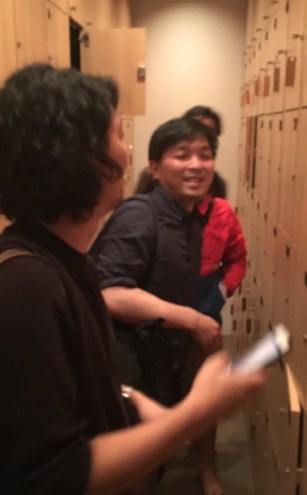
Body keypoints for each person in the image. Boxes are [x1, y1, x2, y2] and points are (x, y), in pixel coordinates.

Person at [0, 64, 265, 495]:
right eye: (118, 135)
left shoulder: (68, 262)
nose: (127, 151)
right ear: (79, 156)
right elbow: (55, 478)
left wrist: (133, 402)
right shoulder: (25, 287)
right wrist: (193, 414)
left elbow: (75, 383)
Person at [91, 117, 233, 494]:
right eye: (182, 155)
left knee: (151, 465)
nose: (196, 165)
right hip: (127, 365)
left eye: (204, 155)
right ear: (155, 168)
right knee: (133, 473)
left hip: (159, 358)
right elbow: (109, 292)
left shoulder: (189, 218)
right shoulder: (141, 215)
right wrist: (192, 320)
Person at [183, 106, 248, 495]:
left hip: (206, 303)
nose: (195, 162)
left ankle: (206, 466)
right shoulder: (150, 197)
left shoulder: (219, 203)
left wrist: (222, 291)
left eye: (207, 145)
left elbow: (237, 257)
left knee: (206, 391)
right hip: (160, 307)